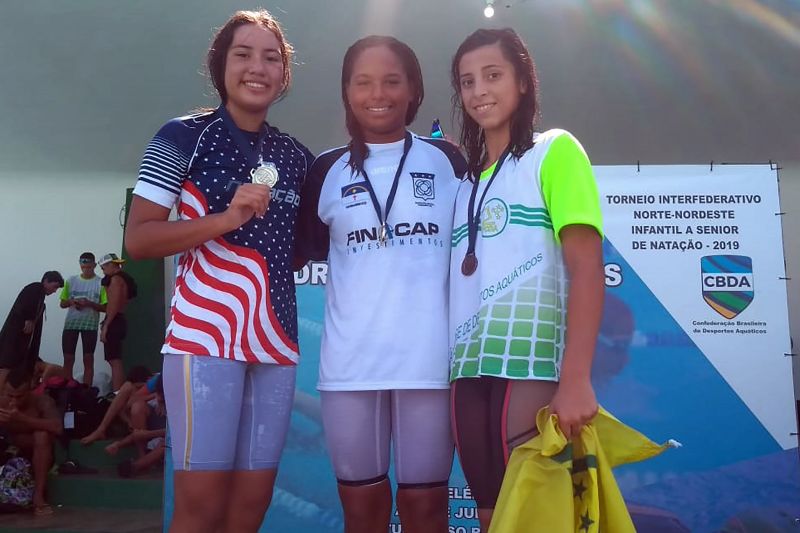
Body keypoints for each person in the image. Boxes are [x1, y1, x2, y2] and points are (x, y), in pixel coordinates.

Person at [123, 10, 312, 533]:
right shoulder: (183, 136)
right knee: (200, 510)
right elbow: (138, 240)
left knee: (250, 509)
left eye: (271, 57)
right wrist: (225, 219)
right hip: (205, 340)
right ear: (220, 66)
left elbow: (306, 243)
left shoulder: (296, 156)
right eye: (243, 54)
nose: (258, 67)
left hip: (275, 343)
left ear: (284, 73)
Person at [296, 36, 466, 533]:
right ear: (347, 90)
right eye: (363, 81)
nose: (379, 93)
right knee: (363, 513)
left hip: (430, 366)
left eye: (393, 81)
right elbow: (295, 253)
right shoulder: (325, 170)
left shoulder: (448, 162)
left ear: (413, 89)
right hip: (352, 369)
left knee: (425, 511)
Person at [447, 28, 605, 532]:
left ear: (522, 81)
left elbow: (586, 268)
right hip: (467, 367)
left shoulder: (554, 151)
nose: (479, 92)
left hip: (530, 361)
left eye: (492, 76)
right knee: (495, 517)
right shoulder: (465, 182)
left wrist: (576, 379)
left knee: (537, 516)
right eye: (467, 82)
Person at [0, 365, 63, 516]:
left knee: (41, 434)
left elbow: (57, 427)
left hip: (37, 452)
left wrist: (23, 419)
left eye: (19, 396)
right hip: (9, 452)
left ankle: (39, 496)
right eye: (10, 396)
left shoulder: (42, 402)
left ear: (29, 392)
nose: (14, 401)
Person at [0, 272, 64, 392]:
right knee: (7, 364)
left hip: (21, 341)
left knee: (11, 364)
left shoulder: (40, 298)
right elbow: (25, 303)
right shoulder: (35, 288)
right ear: (46, 281)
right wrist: (29, 318)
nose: (55, 291)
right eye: (54, 286)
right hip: (14, 339)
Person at [60, 252, 107, 386]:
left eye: (88, 266)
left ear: (94, 265)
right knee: (68, 359)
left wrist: (89, 304)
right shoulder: (71, 280)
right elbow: (62, 303)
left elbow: (105, 307)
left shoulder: (100, 283)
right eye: (83, 266)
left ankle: (86, 390)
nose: (86, 269)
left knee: (88, 358)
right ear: (80, 265)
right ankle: (67, 389)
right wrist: (72, 302)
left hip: (90, 325)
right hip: (71, 324)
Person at [98, 253, 137, 391]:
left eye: (103, 268)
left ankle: (117, 394)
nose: (103, 272)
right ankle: (118, 393)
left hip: (114, 320)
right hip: (119, 319)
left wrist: (106, 325)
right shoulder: (125, 279)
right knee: (114, 359)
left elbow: (113, 305)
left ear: (110, 265)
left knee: (114, 360)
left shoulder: (116, 280)